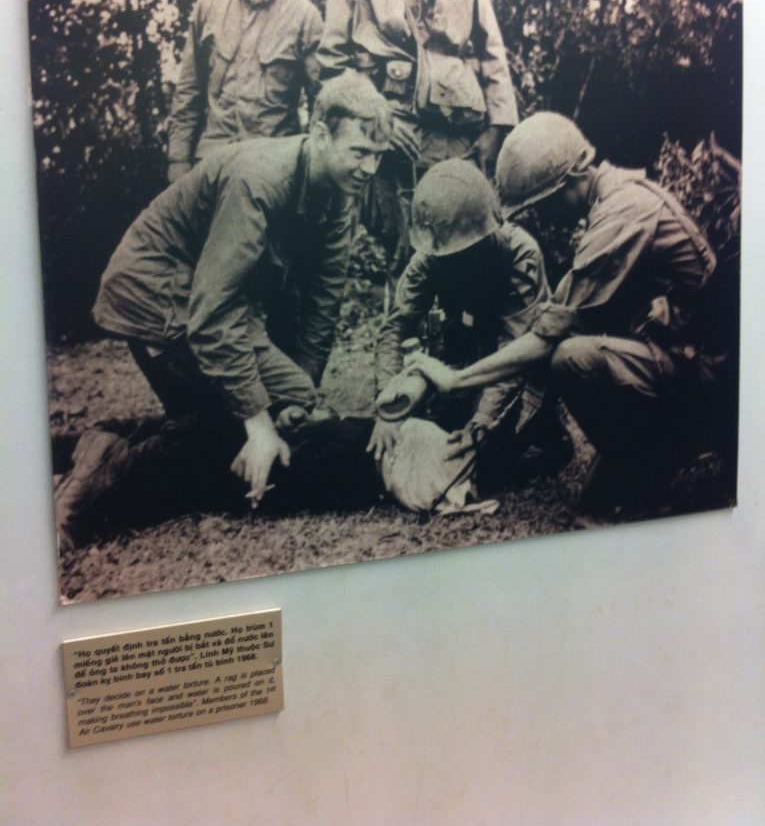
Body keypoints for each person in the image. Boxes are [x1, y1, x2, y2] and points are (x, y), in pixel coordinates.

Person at [57, 72, 392, 547]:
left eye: (377, 156)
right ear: (320, 134)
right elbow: (212, 314)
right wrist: (257, 423)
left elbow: (323, 303)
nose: (369, 169)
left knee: (293, 403)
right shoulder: (257, 179)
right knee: (225, 434)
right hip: (154, 294)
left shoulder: (341, 194)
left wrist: (298, 398)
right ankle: (101, 481)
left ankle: (105, 440)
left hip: (215, 302)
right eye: (359, 152)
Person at [408, 112, 719, 514]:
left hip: (710, 381)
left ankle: (649, 476)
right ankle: (641, 465)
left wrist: (456, 380)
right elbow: (562, 315)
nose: (541, 216)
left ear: (569, 182)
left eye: (542, 203)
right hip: (685, 361)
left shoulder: (624, 212)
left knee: (571, 358)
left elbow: (548, 336)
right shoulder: (617, 200)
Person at [317, 0, 518, 273]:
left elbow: (490, 45)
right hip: (395, 138)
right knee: (407, 254)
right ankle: (407, 334)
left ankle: (464, 333)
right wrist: (379, 116)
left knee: (467, 241)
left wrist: (498, 128)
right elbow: (332, 65)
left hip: (457, 134)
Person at [368, 159, 569, 499]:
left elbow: (514, 356)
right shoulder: (430, 256)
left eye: (465, 249)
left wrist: (480, 427)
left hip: (519, 372)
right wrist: (387, 407)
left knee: (485, 465)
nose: (454, 259)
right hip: (465, 369)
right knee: (433, 439)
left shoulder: (520, 254)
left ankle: (546, 432)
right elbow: (395, 329)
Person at [166, 0, 324, 181]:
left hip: (272, 168)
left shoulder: (305, 18)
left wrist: (308, 170)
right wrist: (178, 160)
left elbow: (321, 102)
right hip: (210, 162)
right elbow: (189, 92)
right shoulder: (210, 4)